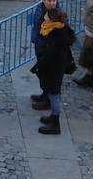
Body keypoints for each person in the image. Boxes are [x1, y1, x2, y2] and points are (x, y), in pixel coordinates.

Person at [31, 7, 75, 135]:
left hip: (55, 68)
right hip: (55, 67)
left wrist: (38, 67)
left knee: (54, 94)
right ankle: (53, 117)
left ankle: (55, 123)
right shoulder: (56, 30)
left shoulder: (56, 35)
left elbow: (50, 54)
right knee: (53, 93)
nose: (44, 18)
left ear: (51, 20)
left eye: (46, 17)